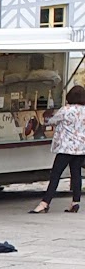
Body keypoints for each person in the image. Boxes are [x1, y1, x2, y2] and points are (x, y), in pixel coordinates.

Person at [30, 83, 85, 214]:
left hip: (65, 148)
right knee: (76, 174)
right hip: (80, 148)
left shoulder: (65, 110)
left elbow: (50, 121)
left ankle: (45, 203)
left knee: (55, 175)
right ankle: (75, 202)